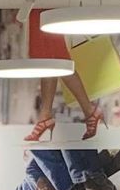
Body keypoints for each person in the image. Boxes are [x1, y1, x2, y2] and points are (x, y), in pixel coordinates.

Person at [20, 8, 102, 142]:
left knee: (57, 58)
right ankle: (46, 115)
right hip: (42, 6)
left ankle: (89, 110)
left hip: (46, 4)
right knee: (48, 60)